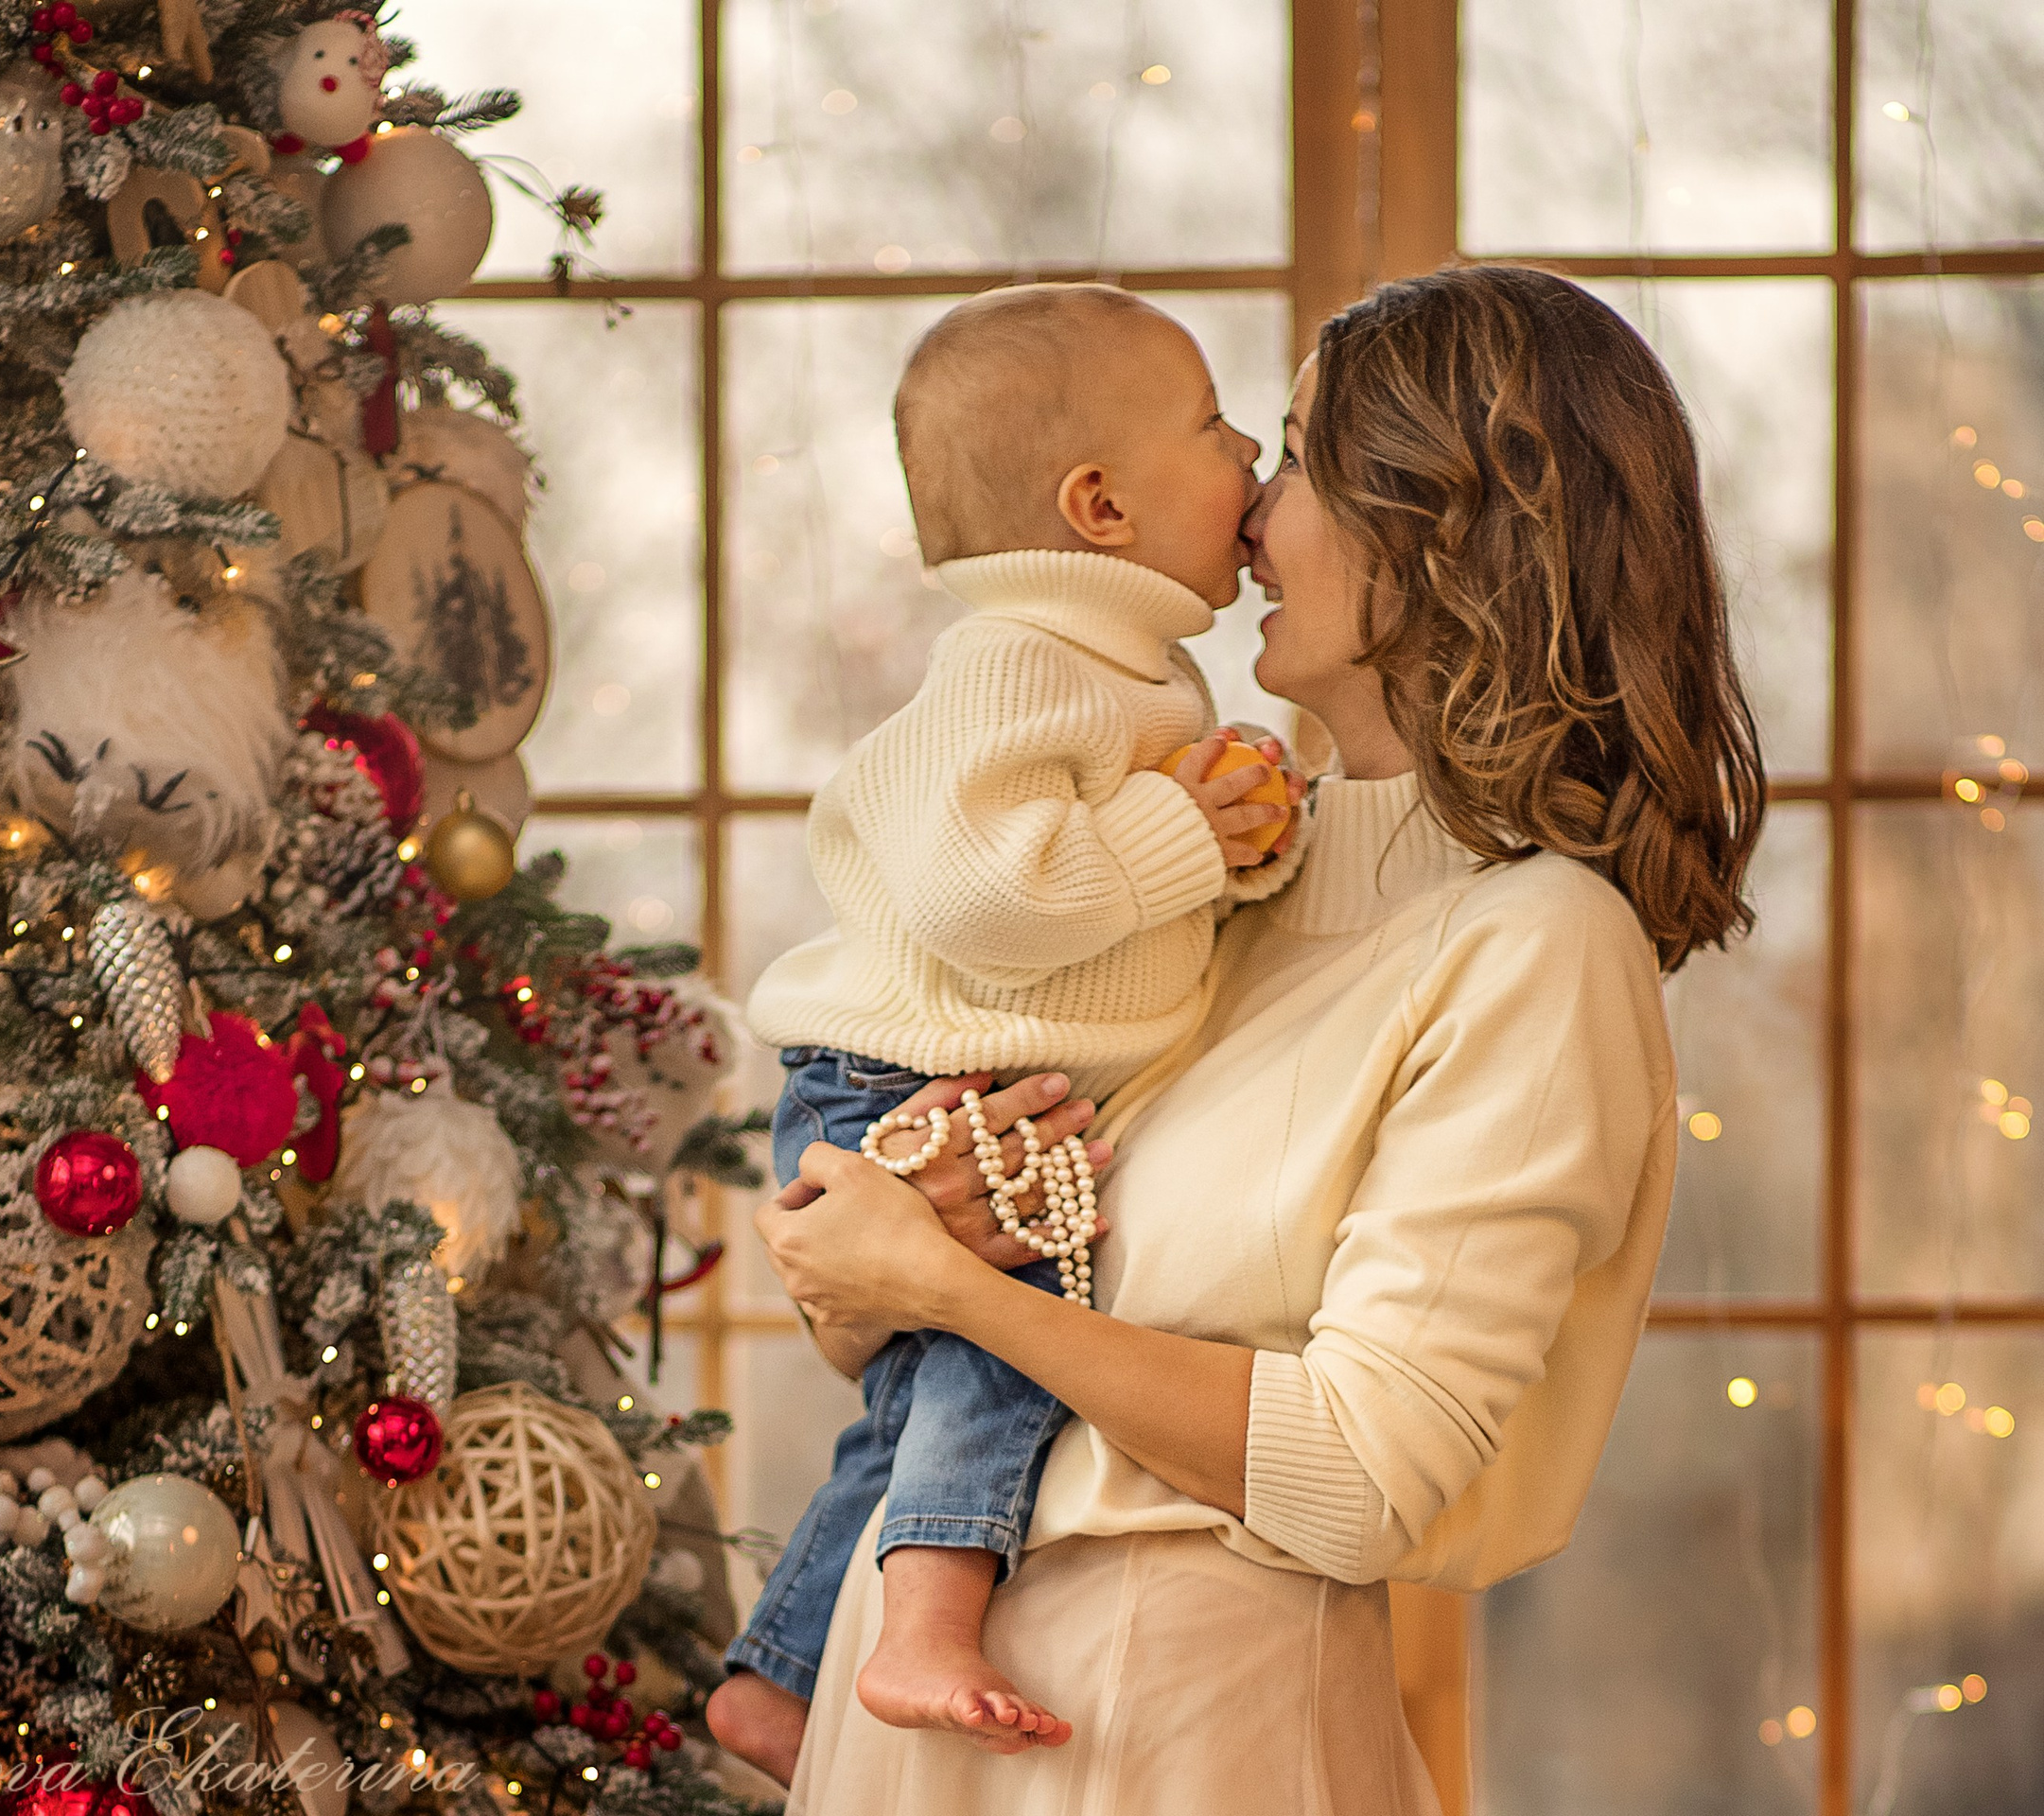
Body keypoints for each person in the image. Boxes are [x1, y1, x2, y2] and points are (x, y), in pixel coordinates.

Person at [729, 264, 1767, 1812]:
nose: (1253, 508)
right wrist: (874, 1246)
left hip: (1173, 1734)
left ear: (1450, 528)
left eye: (1292, 455)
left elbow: (1356, 1476)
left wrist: (947, 1285)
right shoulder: (1200, 879)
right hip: (913, 1728)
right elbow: (904, 1322)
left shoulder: (1539, 948)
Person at [716, 282, 1308, 1779]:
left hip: (966, 1066)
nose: (1249, 460)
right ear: (1100, 504)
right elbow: (987, 893)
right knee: (1011, 1346)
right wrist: (1185, 827)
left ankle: (780, 1674)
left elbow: (1142, 904)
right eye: (1219, 429)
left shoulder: (1130, 672)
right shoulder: (1018, 662)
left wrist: (1245, 834)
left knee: (933, 1377)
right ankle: (922, 1626)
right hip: (907, 1073)